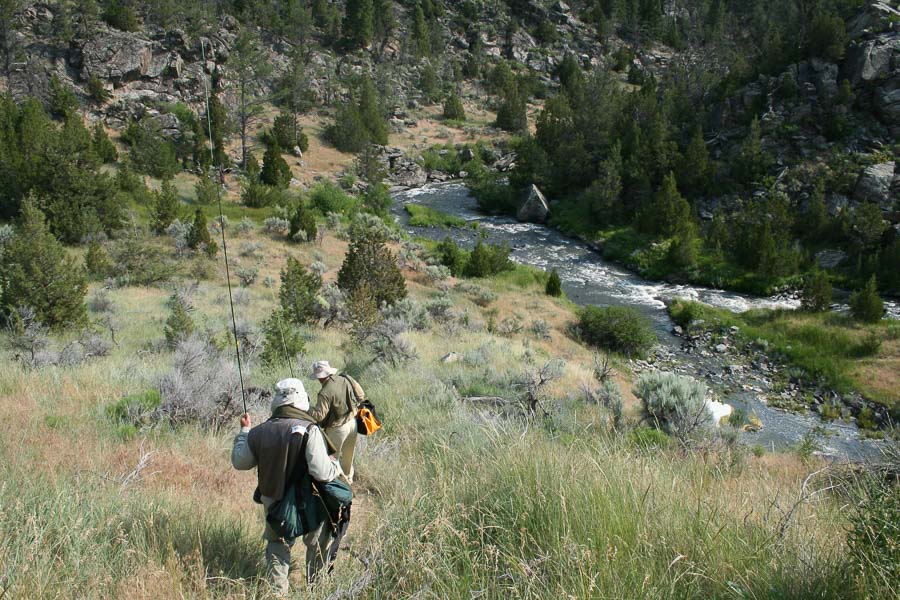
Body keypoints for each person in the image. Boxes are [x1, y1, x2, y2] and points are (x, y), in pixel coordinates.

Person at [231, 378, 343, 596]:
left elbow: (240, 462)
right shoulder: (310, 430)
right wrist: (336, 467)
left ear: (278, 402)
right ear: (301, 400)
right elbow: (321, 472)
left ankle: (278, 593)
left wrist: (244, 432)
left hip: (274, 500)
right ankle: (315, 591)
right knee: (316, 543)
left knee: (277, 544)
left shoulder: (258, 432)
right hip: (311, 499)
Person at [308, 360, 360, 484]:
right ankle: (348, 481)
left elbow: (319, 416)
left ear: (319, 377)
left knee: (331, 460)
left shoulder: (325, 392)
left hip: (337, 429)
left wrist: (307, 407)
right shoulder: (344, 379)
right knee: (348, 458)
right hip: (352, 423)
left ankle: (338, 487)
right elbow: (361, 395)